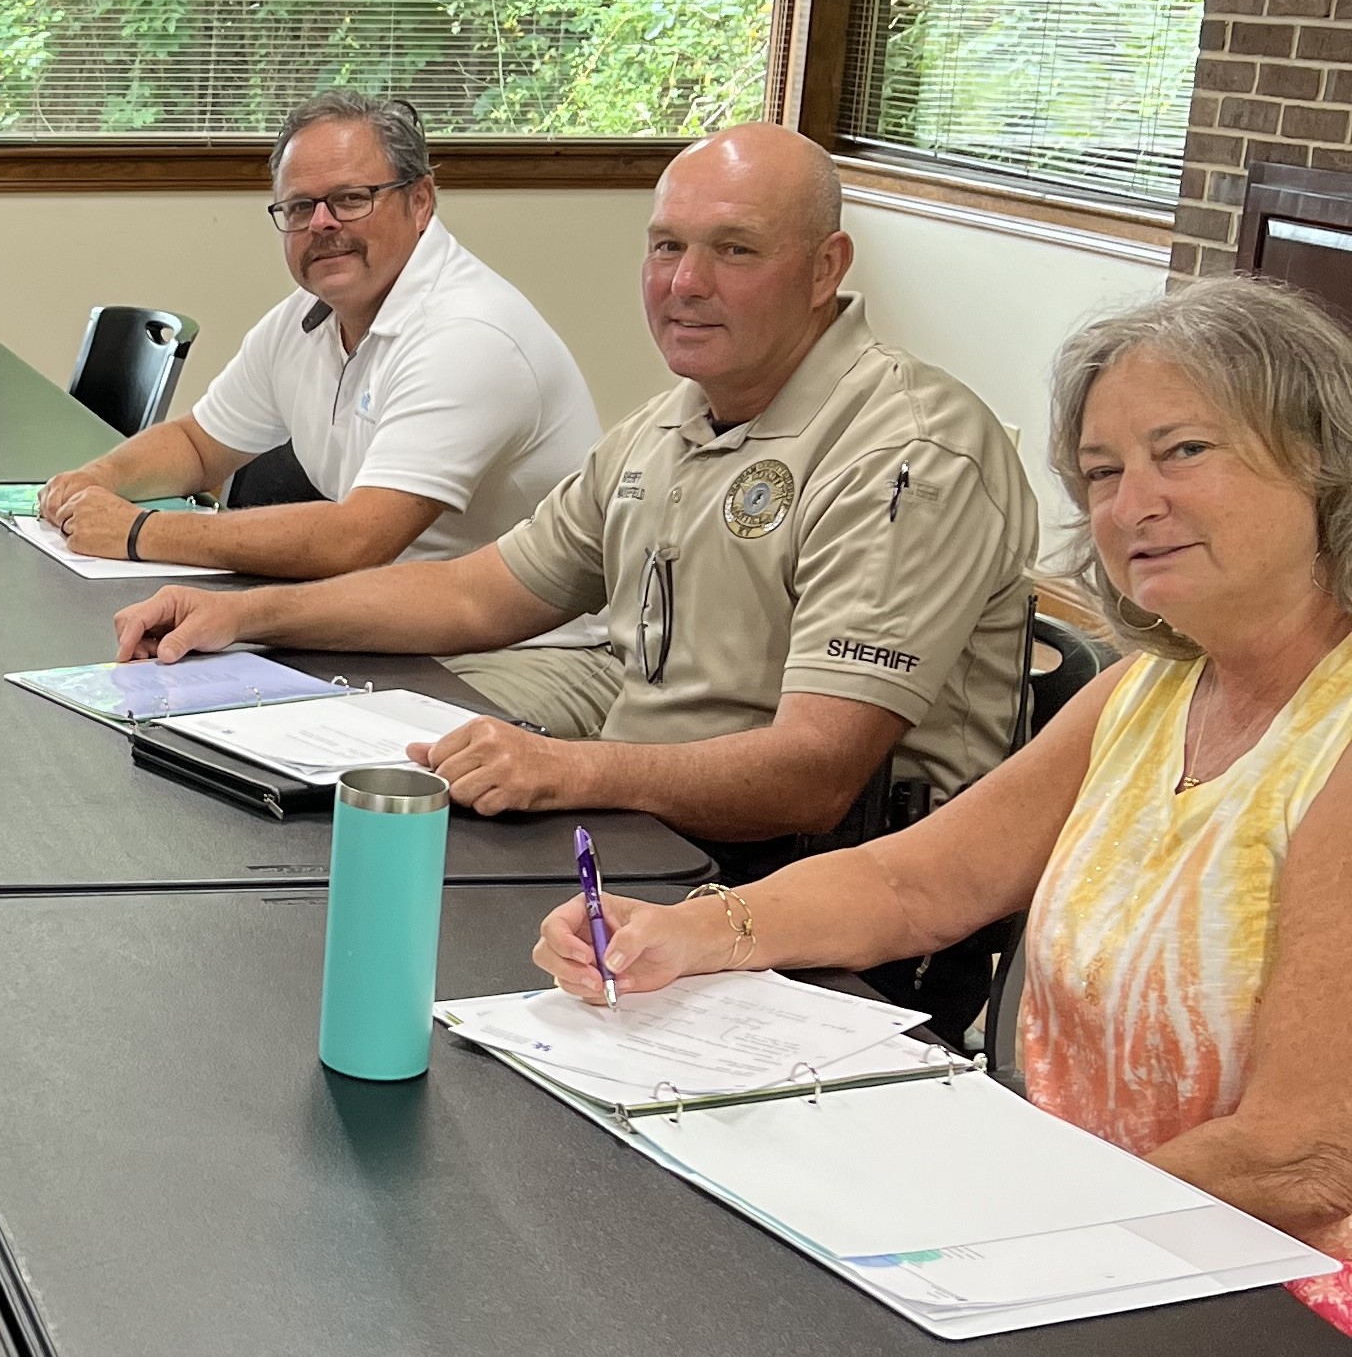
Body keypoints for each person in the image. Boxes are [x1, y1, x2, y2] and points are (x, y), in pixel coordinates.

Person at [532, 274, 1352, 1334]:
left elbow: (1304, 1152)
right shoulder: (1148, 691)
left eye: (1183, 451)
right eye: (1101, 472)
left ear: (1323, 461)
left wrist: (1017, 1234)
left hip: (1257, 1289)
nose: (1130, 503)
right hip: (1091, 1241)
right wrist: (682, 932)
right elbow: (916, 880)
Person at [112, 124, 1037, 1032]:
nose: (685, 283)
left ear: (826, 266)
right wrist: (247, 615)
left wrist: (569, 769)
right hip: (648, 848)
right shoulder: (667, 428)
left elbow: (813, 776)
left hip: (819, 910)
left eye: (735, 251)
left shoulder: (908, 454)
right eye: (666, 247)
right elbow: (478, 593)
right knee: (298, 932)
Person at [37, 90, 602, 644]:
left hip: (524, 650)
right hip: (372, 613)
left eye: (351, 198)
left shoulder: (468, 334)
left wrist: (138, 531)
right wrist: (95, 481)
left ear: (421, 201)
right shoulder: (305, 319)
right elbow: (197, 445)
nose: (322, 223)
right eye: (300, 207)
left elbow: (357, 539)